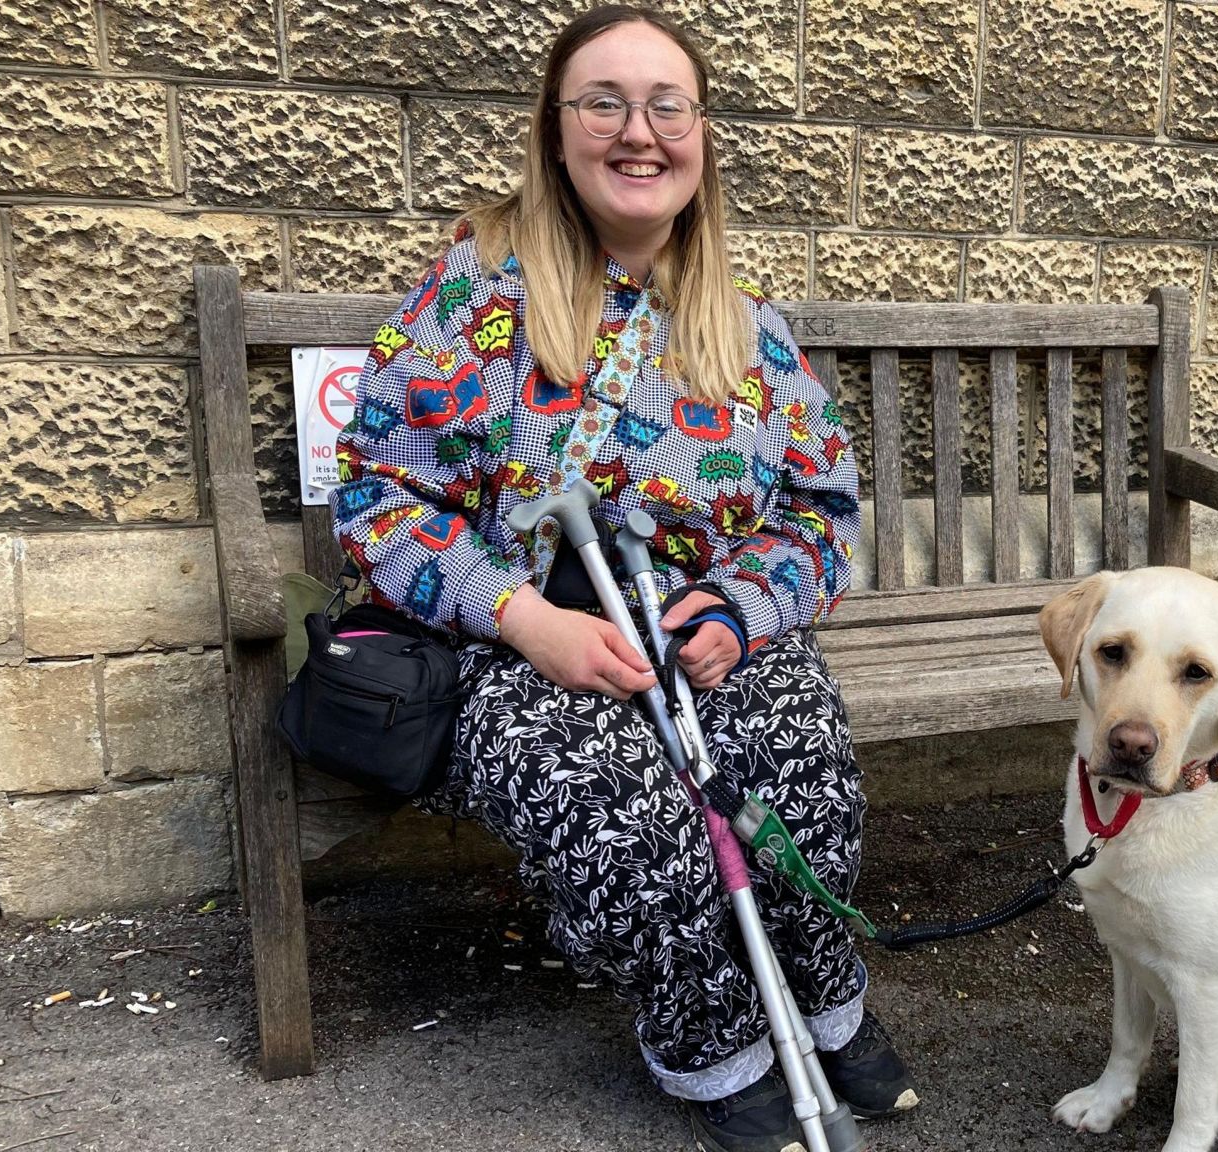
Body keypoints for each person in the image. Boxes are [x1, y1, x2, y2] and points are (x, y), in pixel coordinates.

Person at [329, 8, 914, 1149]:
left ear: (700, 136)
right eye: (603, 101)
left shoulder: (749, 331)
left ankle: (821, 995)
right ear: (556, 132)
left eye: (667, 105)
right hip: (514, 643)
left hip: (691, 625)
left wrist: (736, 612)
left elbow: (820, 512)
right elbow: (375, 500)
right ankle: (714, 1036)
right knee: (630, 815)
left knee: (803, 772)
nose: (637, 131)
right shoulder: (472, 294)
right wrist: (524, 618)